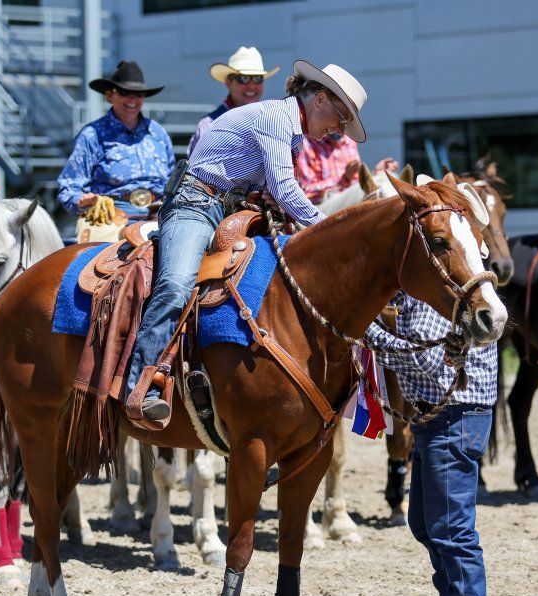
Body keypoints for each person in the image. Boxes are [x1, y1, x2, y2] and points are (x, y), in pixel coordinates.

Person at [126, 60, 368, 421]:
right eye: (340, 116)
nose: (338, 129)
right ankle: (139, 384)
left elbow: (277, 189)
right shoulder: (275, 120)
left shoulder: (289, 130)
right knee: (176, 284)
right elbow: (286, 188)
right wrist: (330, 231)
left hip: (230, 211)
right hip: (195, 204)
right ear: (319, 99)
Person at [366, 294, 496, 596]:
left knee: (452, 529)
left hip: (452, 419)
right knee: (425, 522)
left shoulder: (434, 295)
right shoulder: (423, 293)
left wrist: (369, 331)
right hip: (438, 418)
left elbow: (424, 359)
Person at [57, 61, 174, 231]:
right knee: (97, 254)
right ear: (110, 96)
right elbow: (69, 185)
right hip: (111, 216)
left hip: (160, 212)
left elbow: (172, 180)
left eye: (139, 94)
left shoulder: (158, 133)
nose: (133, 100)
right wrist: (83, 200)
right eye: (125, 93)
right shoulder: (92, 134)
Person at [186, 46, 279, 157]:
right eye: (243, 78)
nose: (251, 85)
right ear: (228, 82)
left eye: (257, 78)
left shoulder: (272, 123)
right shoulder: (208, 126)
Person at [295, 134, 398, 204]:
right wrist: (343, 180)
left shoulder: (350, 140)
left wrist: (375, 174)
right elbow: (307, 190)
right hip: (323, 208)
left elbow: (355, 183)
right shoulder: (308, 142)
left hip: (350, 202)